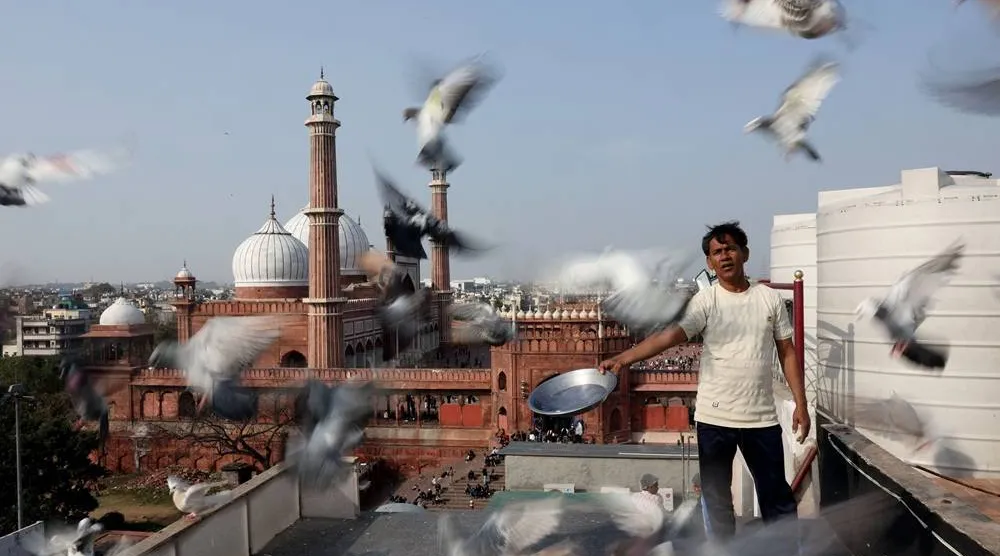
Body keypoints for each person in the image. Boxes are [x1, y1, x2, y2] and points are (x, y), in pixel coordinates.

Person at [599, 221, 809, 542]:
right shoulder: (706, 301)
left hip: (760, 418)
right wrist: (624, 359)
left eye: (730, 249)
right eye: (716, 252)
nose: (724, 256)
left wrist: (801, 404)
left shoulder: (768, 299)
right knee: (718, 502)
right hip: (715, 420)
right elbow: (669, 337)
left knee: (776, 499)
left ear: (744, 254)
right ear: (709, 263)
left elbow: (787, 352)